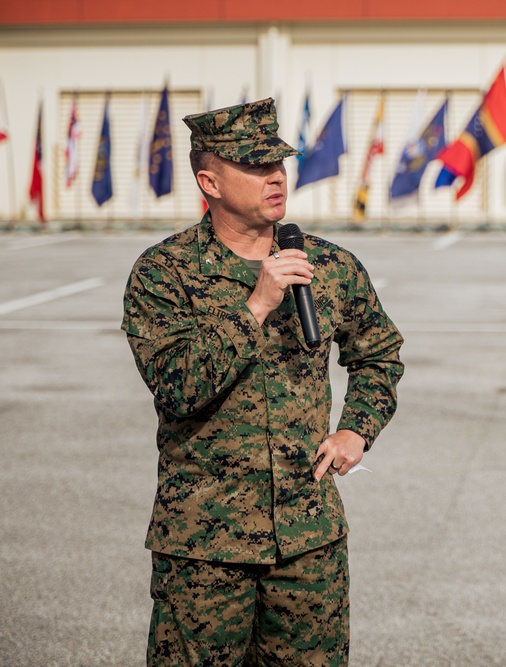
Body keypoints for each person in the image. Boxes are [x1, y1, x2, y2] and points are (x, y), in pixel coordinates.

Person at [121, 97, 404, 666]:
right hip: (204, 546)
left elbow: (379, 354)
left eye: (278, 162)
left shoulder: (328, 264)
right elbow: (177, 387)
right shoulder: (164, 273)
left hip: (307, 542)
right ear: (211, 181)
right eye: (255, 166)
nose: (275, 176)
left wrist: (357, 430)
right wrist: (255, 306)